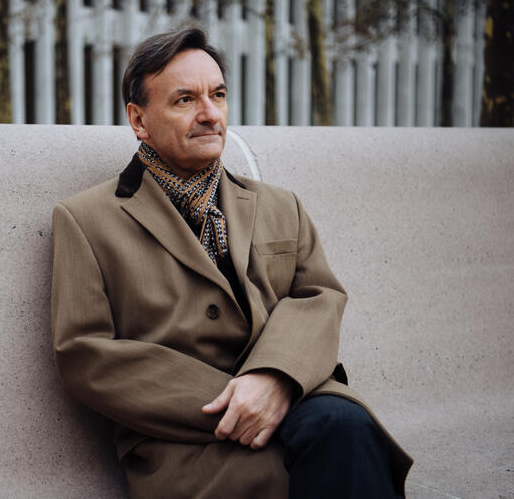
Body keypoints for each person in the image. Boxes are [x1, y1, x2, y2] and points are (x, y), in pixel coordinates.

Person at [51, 28, 412, 498]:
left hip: (297, 407)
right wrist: (236, 402)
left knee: (346, 424)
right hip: (191, 443)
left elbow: (318, 299)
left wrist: (275, 379)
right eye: (185, 100)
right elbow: (86, 353)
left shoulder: (282, 205)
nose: (209, 114)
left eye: (217, 96)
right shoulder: (86, 219)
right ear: (139, 120)